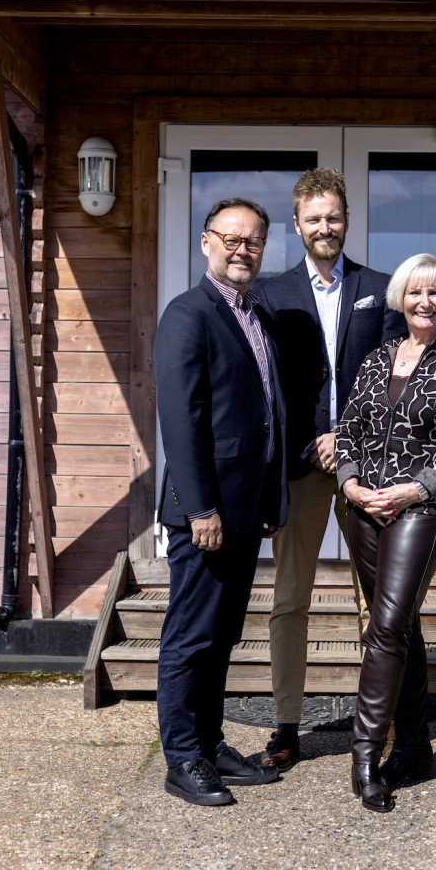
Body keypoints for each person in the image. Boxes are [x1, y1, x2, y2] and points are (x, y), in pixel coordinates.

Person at [255, 168, 406, 771]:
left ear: (347, 220)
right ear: (297, 225)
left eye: (334, 217)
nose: (325, 227)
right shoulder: (271, 294)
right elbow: (266, 386)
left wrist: (349, 436)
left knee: (376, 601)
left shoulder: (382, 287)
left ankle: (381, 723)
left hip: (366, 464)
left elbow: (397, 377)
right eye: (313, 218)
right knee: (289, 599)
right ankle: (286, 726)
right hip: (301, 467)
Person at [334, 253, 436, 813]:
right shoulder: (377, 360)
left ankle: (364, 755)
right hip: (364, 508)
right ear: (401, 299)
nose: (425, 303)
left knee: (385, 624)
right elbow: (348, 428)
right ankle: (418, 750)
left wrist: (412, 490)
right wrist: (351, 484)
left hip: (422, 508)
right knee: (403, 628)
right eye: (415, 293)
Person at [154, 197, 287, 806]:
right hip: (205, 514)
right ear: (206, 242)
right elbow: (181, 422)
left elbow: (261, 414)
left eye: (253, 241)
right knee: (190, 636)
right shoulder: (189, 313)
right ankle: (182, 758)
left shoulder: (254, 313)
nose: (242, 249)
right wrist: (199, 509)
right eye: (230, 239)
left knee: (222, 634)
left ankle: (208, 744)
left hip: (243, 509)